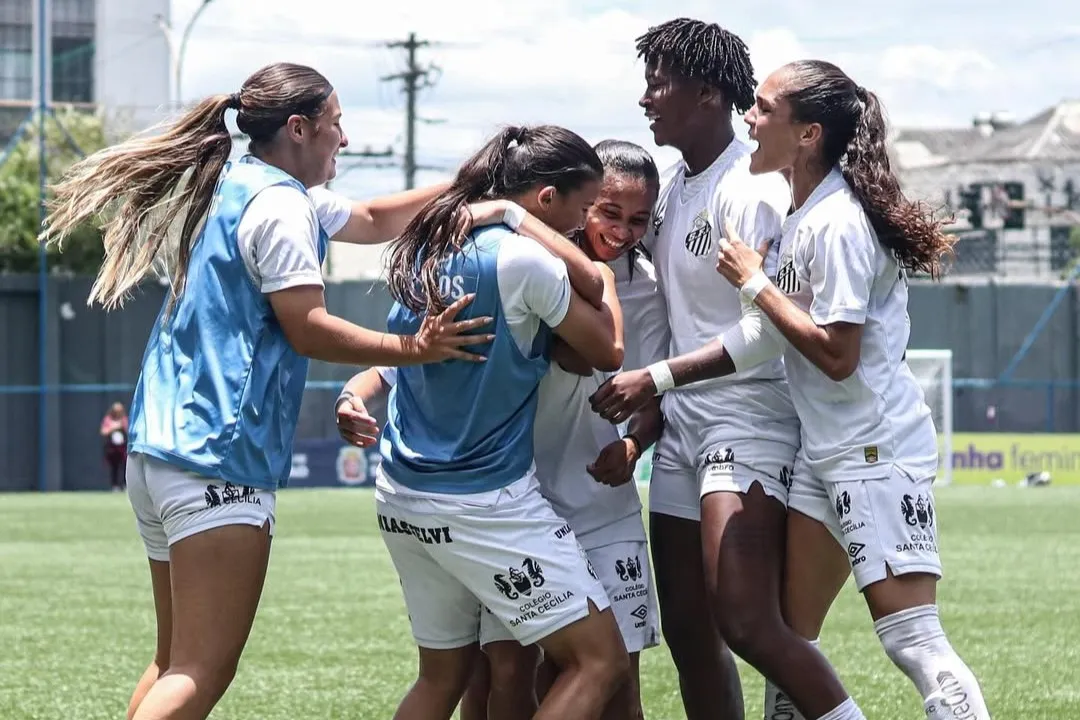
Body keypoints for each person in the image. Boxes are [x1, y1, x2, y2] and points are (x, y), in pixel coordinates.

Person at [39, 62, 506, 720]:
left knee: (172, 661)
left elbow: (374, 217)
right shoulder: (283, 206)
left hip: (160, 455)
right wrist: (413, 348)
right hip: (216, 460)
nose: (343, 139)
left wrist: (475, 193)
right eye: (336, 124)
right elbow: (309, 328)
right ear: (298, 127)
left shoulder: (244, 183)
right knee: (200, 672)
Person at [663, 60, 991, 719]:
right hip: (825, 452)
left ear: (808, 133)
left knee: (913, 642)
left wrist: (755, 284)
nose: (748, 120)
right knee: (786, 639)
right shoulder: (800, 212)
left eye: (761, 109)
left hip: (873, 451)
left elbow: (838, 355)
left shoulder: (839, 221)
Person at [589, 19, 860, 720]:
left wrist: (655, 379)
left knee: (744, 620)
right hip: (683, 430)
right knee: (687, 629)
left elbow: (768, 327)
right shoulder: (676, 186)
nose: (646, 97)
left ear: (705, 93)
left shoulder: (751, 187)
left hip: (750, 421)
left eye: (660, 82)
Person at [369, 124, 633, 720]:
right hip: (484, 503)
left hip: (401, 495)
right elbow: (607, 350)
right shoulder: (522, 259)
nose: (584, 222)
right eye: (583, 206)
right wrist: (587, 265)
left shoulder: (427, 250)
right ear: (545, 199)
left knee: (442, 678)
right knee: (600, 661)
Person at [101, 402, 129, 491]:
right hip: (112, 447)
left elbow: (128, 429)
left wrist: (122, 425)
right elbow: (104, 431)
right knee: (114, 467)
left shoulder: (124, 419)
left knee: (125, 466)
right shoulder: (108, 419)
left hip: (122, 447)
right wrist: (114, 427)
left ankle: (125, 485)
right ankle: (115, 486)